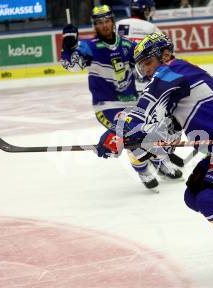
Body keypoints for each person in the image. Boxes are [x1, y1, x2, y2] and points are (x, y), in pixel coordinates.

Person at [95, 32, 213, 287]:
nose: (147, 70)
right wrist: (139, 141)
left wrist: (117, 132)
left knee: (209, 198)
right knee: (194, 195)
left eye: (148, 62)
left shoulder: (172, 71)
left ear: (166, 54)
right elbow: (164, 131)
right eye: (142, 66)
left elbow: (143, 109)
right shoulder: (177, 81)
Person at [60, 5, 182, 192]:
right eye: (99, 23)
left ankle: (160, 163)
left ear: (113, 22)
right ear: (95, 25)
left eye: (107, 21)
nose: (104, 26)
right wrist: (67, 47)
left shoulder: (127, 45)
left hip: (133, 102)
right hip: (107, 106)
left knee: (154, 130)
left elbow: (146, 67)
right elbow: (72, 66)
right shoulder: (89, 47)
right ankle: (143, 170)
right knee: (131, 135)